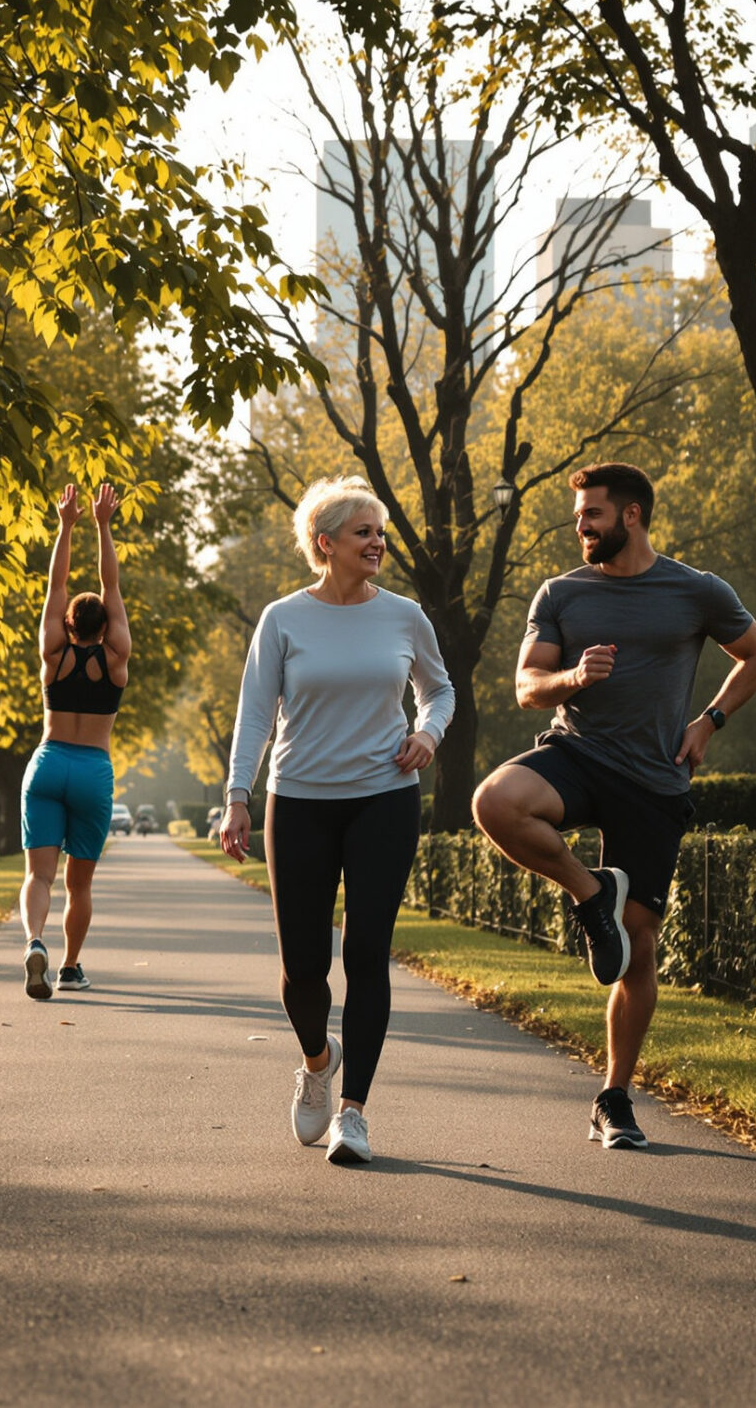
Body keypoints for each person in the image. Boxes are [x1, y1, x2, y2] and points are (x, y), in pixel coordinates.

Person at [471, 462, 756, 1150]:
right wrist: (574, 676)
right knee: (495, 801)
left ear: (631, 515)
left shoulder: (696, 590)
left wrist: (709, 722)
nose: (580, 526)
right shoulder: (563, 592)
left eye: (592, 515)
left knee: (638, 946)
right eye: (580, 516)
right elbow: (526, 685)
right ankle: (589, 894)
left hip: (654, 780)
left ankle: (614, 1096)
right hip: (578, 754)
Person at [216, 475, 454, 1166]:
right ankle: (318, 1060)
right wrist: (238, 794)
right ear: (326, 544)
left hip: (384, 797)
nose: (378, 542)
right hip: (301, 803)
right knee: (302, 968)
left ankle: (354, 1113)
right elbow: (255, 713)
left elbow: (438, 689)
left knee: (367, 954)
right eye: (364, 532)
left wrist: (429, 735)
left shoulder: (405, 615)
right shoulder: (284, 618)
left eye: (379, 532)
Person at [17, 481, 129, 1000]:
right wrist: (104, 526)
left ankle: (34, 942)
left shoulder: (53, 654)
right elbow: (111, 586)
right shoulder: (116, 658)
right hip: (92, 769)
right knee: (77, 884)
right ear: (106, 625)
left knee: (39, 875)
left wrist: (67, 527)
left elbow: (55, 584)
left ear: (66, 624)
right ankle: (68, 966)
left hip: (47, 762)